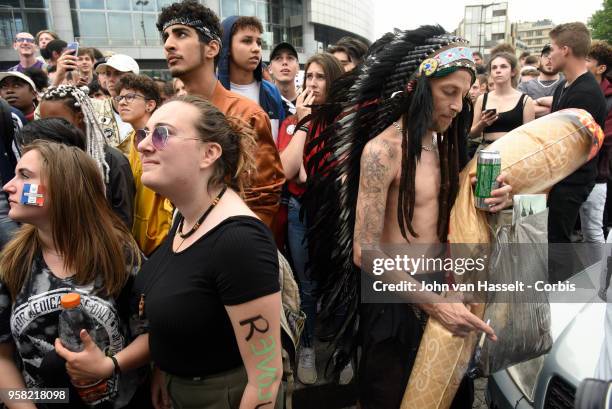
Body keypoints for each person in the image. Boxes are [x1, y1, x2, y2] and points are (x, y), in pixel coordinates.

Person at [302, 26, 512, 409]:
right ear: (418, 86)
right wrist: (435, 304)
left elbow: (456, 216)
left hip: (443, 287)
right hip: (393, 303)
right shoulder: (383, 151)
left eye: (463, 96)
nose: (456, 105)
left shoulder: (446, 146)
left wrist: (497, 200)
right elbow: (365, 252)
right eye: (449, 92)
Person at [54, 95, 283, 409]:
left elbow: (266, 377)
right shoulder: (186, 216)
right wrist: (156, 367)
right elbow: (189, 314)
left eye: (161, 134)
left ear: (209, 153)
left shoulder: (239, 242)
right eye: (144, 134)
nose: (144, 146)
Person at [0, 140, 142, 408]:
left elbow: (151, 333)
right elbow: (2, 358)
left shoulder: (118, 254)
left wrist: (110, 365)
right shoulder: (12, 262)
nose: (8, 186)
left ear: (63, 187)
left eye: (25, 176)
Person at [156, 0, 284, 227]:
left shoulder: (246, 114)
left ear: (212, 48)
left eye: (181, 34)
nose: (169, 45)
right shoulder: (168, 115)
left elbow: (264, 199)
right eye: (166, 37)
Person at [276, 53, 344, 385]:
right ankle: (306, 348)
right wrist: (302, 123)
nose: (312, 83)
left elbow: (339, 172)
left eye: (320, 77)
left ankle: (343, 349)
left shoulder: (344, 123)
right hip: (300, 212)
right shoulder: (293, 123)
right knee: (306, 287)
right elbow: (290, 171)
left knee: (340, 282)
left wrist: (306, 175)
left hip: (334, 213)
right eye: (310, 76)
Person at [547, 22, 607, 280]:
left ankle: (560, 294)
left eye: (551, 49)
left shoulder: (587, 92)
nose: (549, 55)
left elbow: (573, 147)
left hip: (572, 180)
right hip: (558, 178)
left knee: (557, 240)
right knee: (552, 238)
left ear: (566, 50)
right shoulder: (563, 86)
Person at [38, 85, 135, 228]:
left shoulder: (111, 161)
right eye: (43, 121)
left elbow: (123, 220)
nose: (48, 128)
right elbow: (31, 206)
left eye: (56, 121)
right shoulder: (39, 159)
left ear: (80, 117)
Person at [115, 73, 171, 256]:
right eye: (120, 97)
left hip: (163, 240)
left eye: (130, 97)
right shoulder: (130, 140)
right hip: (139, 240)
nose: (122, 102)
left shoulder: (163, 139)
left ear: (150, 104)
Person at [219, 15, 286, 141]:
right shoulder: (212, 92)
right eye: (247, 41)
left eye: (259, 42)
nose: (256, 49)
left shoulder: (272, 92)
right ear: (227, 47)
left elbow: (280, 145)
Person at [579, 40, 612, 244]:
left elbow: (604, 136)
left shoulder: (610, 99)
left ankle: (598, 275)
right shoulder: (573, 88)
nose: (582, 62)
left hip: (597, 174)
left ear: (601, 68)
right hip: (568, 173)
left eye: (587, 59)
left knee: (592, 231)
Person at [469, 52, 535, 146]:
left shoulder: (525, 100)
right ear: (490, 72)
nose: (498, 70)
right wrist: (482, 124)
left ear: (513, 72)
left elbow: (529, 137)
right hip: (487, 151)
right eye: (494, 67)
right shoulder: (482, 99)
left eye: (503, 66)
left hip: (513, 151)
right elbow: (472, 134)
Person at [521, 44, 563, 118]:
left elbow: (572, 109)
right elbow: (520, 110)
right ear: (539, 60)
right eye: (546, 55)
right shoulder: (525, 86)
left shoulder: (568, 83)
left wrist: (538, 102)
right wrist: (558, 107)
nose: (550, 58)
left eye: (554, 56)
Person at [269, 42, 300, 116]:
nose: (285, 62)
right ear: (270, 69)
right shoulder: (264, 101)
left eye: (290, 58)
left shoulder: (308, 104)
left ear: (298, 68)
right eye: (278, 58)